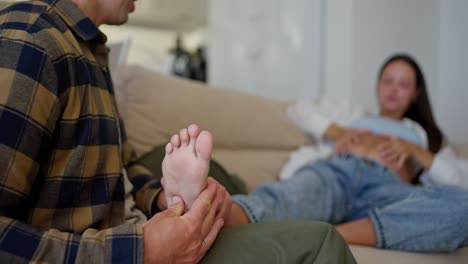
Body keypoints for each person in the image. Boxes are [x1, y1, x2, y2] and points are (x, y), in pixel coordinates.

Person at [0, 1, 356, 263]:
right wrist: (142, 250)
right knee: (321, 243)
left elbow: (121, 164)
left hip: (131, 229)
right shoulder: (30, 41)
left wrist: (161, 201)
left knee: (221, 195)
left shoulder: (89, 51)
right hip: (117, 250)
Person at [225, 54, 468, 252]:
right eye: (388, 81)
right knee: (287, 196)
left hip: (388, 192)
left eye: (403, 84)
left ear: (416, 93)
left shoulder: (421, 134)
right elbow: (298, 110)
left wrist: (416, 151)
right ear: (378, 85)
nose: (394, 89)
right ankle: (219, 219)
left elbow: (460, 181)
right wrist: (339, 132)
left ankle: (333, 234)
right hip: (339, 172)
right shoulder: (355, 115)